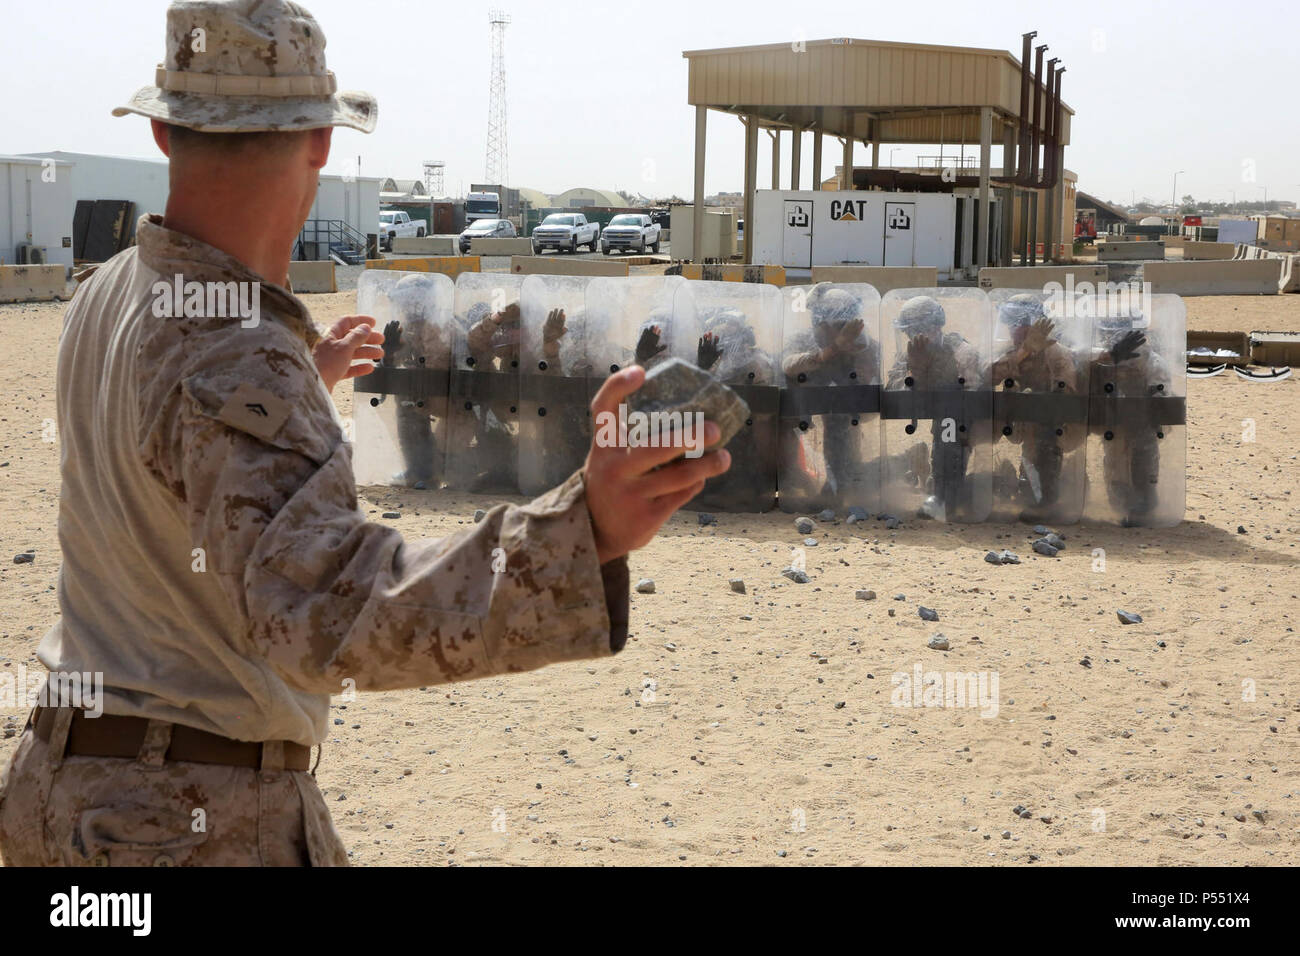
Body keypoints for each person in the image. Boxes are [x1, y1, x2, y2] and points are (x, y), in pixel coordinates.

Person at [0, 0, 729, 868]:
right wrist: (586, 528)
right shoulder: (239, 352)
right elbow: (322, 609)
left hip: (60, 794)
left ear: (163, 133)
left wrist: (303, 384)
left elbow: (174, 463)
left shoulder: (110, 294)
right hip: (185, 819)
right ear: (320, 140)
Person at [885, 295, 983, 520]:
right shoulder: (910, 354)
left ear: (937, 328)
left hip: (962, 424)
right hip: (938, 420)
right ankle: (934, 482)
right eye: (910, 332)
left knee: (948, 427)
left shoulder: (960, 351)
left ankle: (946, 493)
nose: (915, 337)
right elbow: (894, 392)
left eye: (920, 330)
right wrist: (916, 370)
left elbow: (971, 394)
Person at [781, 285, 880, 506]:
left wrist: (863, 370)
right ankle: (795, 477)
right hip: (801, 409)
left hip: (845, 412)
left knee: (838, 423)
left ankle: (835, 488)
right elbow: (789, 366)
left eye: (847, 324)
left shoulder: (863, 344)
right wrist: (832, 350)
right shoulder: (804, 339)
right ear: (822, 324)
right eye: (839, 325)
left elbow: (872, 390)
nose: (846, 331)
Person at [988, 293, 1082, 521]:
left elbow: (1067, 396)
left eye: (1017, 324)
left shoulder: (1056, 352)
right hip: (1015, 425)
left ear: (1032, 324)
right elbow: (988, 376)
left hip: (1050, 431)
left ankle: (1048, 496)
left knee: (1042, 437)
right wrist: (1023, 353)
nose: (1011, 329)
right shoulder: (1014, 350)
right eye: (1009, 323)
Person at [693, 307, 779, 511]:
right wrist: (703, 370)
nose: (729, 343)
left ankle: (745, 491)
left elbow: (763, 416)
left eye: (733, 336)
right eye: (722, 337)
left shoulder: (757, 363)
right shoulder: (705, 362)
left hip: (746, 440)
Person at [1084, 305, 1160, 525]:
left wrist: (1152, 402)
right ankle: (1122, 506)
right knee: (1116, 467)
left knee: (1142, 462)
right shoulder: (1103, 359)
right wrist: (1110, 357)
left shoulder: (1149, 361)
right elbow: (1082, 367)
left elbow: (1161, 390)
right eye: (1107, 333)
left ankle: (1144, 504)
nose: (1108, 337)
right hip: (1113, 426)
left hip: (1140, 427)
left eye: (1114, 333)